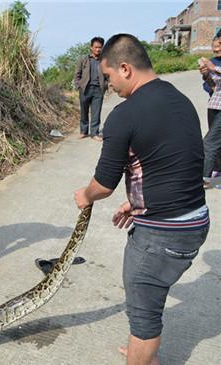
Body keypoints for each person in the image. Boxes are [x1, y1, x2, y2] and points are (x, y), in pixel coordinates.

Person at [74, 34, 209, 365]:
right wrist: (137, 200)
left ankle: (143, 352)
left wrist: (85, 195)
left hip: (162, 234)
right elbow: (180, 162)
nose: (108, 86)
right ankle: (142, 351)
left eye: (108, 77)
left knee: (143, 317)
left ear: (125, 68)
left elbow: (104, 184)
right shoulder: (180, 99)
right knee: (150, 301)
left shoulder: (124, 115)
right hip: (195, 221)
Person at [74, 36, 109, 141]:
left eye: (100, 47)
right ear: (91, 47)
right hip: (85, 89)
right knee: (84, 111)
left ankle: (94, 133)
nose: (98, 49)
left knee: (96, 112)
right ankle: (83, 131)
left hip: (98, 90)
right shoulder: (83, 59)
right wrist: (78, 85)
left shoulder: (104, 61)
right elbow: (77, 74)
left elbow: (108, 75)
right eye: (96, 47)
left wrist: (105, 85)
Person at [198, 36, 221, 188]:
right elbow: (212, 87)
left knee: (209, 143)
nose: (215, 50)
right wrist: (206, 74)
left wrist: (213, 68)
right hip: (215, 105)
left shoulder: (215, 64)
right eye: (214, 47)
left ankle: (203, 178)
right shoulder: (214, 61)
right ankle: (217, 171)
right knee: (217, 143)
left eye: (218, 47)